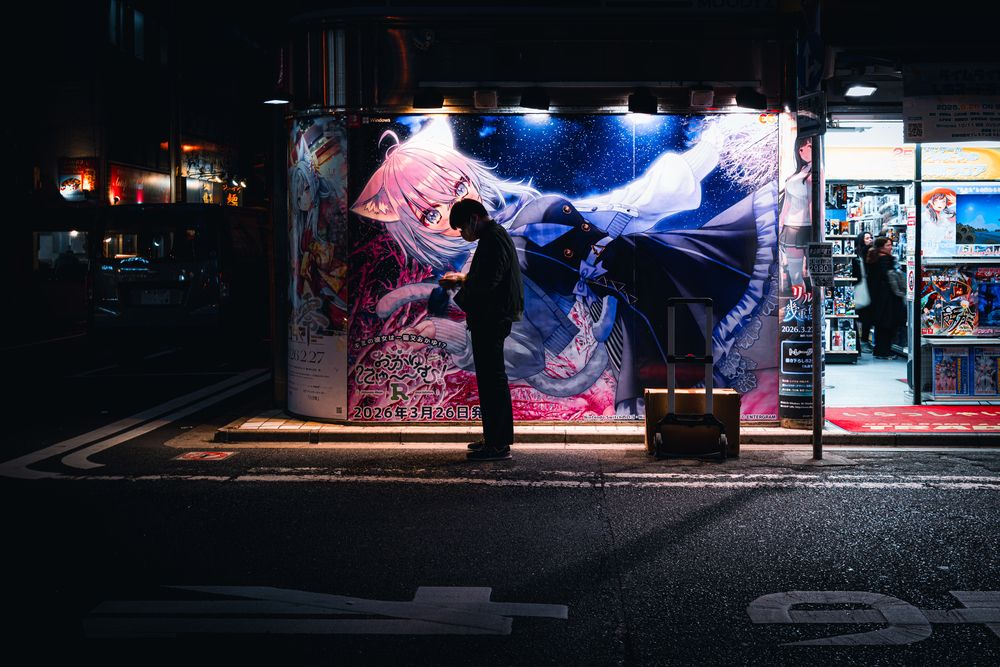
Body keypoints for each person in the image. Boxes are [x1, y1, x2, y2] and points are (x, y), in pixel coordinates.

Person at [351, 116, 778, 415]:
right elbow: (526, 336)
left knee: (687, 334)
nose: (448, 213)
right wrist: (458, 329)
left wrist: (708, 153)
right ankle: (694, 416)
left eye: (457, 188)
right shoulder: (501, 245)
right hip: (615, 304)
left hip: (641, 267)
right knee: (675, 351)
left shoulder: (529, 217)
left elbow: (628, 207)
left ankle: (700, 415)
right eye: (428, 215)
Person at [440, 199, 524, 461]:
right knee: (490, 380)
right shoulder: (494, 237)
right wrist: (463, 279)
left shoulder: (492, 240)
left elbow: (489, 281)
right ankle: (494, 439)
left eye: (462, 227)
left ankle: (498, 445)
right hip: (492, 317)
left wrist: (461, 291)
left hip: (491, 318)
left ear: (474, 219)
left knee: (492, 381)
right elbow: (490, 275)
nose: (463, 234)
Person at [865, 236, 906, 359]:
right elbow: (890, 278)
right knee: (888, 325)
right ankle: (884, 351)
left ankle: (879, 349)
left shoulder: (872, 257)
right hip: (888, 298)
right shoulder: (886, 260)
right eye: (888, 245)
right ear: (882, 246)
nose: (891, 247)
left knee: (880, 325)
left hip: (877, 297)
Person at [851, 231, 874, 352]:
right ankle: (861, 341)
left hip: (867, 288)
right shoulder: (858, 254)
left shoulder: (871, 253)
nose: (870, 240)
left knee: (866, 317)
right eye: (867, 238)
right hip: (861, 287)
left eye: (871, 237)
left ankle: (863, 340)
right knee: (861, 315)